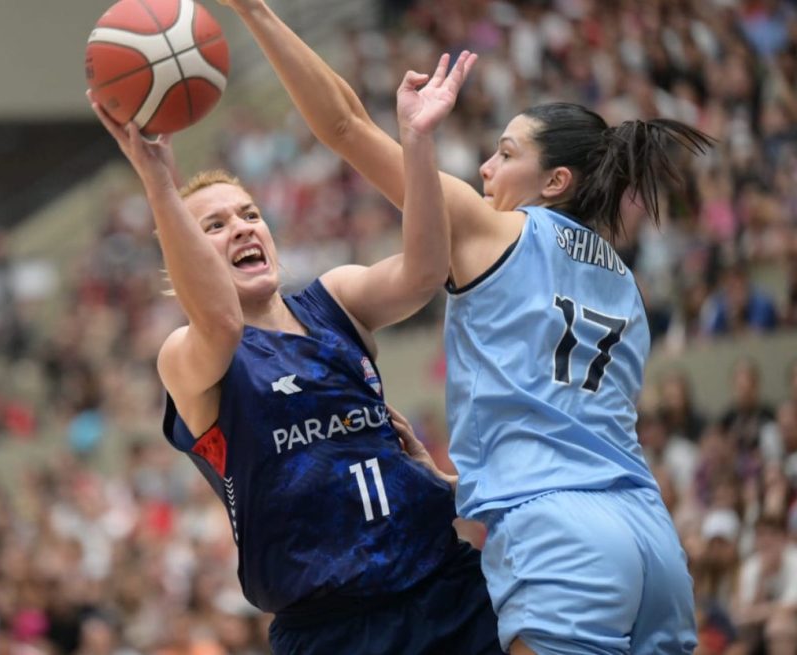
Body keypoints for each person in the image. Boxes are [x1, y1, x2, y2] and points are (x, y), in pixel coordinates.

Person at [218, 1, 714, 652]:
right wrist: (454, 485)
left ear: (554, 181)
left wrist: (254, 10)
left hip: (558, 538)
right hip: (649, 536)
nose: (484, 168)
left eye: (505, 154)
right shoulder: (625, 283)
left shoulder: (493, 228)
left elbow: (343, 125)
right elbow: (567, 439)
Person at [88, 53, 502, 654]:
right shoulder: (186, 355)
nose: (242, 227)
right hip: (330, 630)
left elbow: (424, 272)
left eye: (250, 214)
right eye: (214, 225)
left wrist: (416, 141)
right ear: (182, 265)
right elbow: (221, 323)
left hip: (446, 588)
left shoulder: (332, 300)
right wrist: (159, 185)